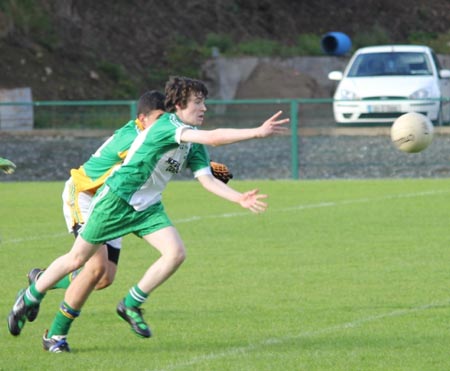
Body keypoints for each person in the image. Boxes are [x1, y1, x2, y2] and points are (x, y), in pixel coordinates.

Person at [7, 76, 289, 353]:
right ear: (178, 105)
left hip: (146, 207)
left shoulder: (193, 142)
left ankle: (130, 303)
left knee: (175, 253)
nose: (203, 108)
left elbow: (207, 179)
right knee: (80, 261)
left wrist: (239, 197)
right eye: (198, 102)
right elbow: (215, 138)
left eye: (204, 102)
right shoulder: (168, 125)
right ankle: (32, 296)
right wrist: (256, 131)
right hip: (116, 199)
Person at [23, 90, 167, 324]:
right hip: (84, 195)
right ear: (142, 119)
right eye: (159, 117)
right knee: (93, 265)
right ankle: (54, 333)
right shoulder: (132, 139)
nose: (164, 123)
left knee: (103, 278)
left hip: (111, 202)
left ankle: (42, 279)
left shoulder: (152, 135)